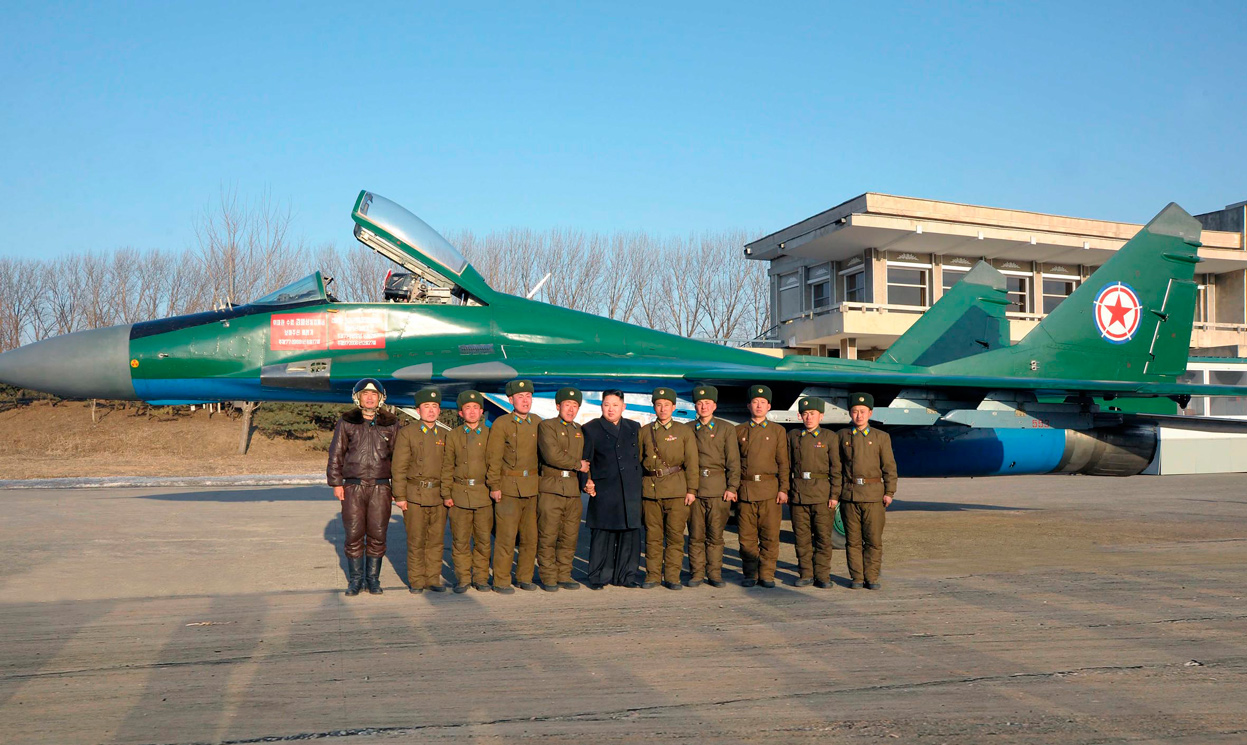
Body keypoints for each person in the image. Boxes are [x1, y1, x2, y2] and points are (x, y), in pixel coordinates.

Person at [327, 379, 401, 596]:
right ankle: (356, 580)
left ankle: (373, 579)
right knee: (353, 533)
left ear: (381, 398)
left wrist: (398, 488)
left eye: (374, 394)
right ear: (357, 397)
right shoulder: (347, 422)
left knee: (378, 534)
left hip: (380, 488)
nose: (369, 398)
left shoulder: (391, 423)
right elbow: (336, 453)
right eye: (365, 394)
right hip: (353, 487)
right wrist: (336, 482)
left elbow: (398, 459)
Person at [580, 390, 643, 589]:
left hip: (630, 489)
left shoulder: (634, 427)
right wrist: (586, 482)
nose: (611, 409)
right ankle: (599, 577)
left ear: (623, 406)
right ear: (601, 406)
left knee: (628, 535)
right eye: (607, 404)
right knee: (603, 536)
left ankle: (626, 576)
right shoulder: (591, 429)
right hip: (605, 489)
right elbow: (585, 461)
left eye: (615, 405)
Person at [638, 387, 698, 590]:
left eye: (666, 405)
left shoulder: (683, 431)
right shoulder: (645, 431)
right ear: (654, 407)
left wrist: (692, 490)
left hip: (676, 491)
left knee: (674, 536)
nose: (662, 409)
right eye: (658, 405)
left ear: (674, 407)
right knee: (652, 536)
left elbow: (692, 462)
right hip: (651, 491)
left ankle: (672, 576)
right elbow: (638, 462)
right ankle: (652, 576)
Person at [837, 392, 898, 590]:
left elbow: (889, 467)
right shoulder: (842, 436)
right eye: (855, 412)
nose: (859, 416)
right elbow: (837, 468)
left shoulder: (881, 437)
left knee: (873, 539)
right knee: (852, 541)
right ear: (850, 413)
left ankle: (871, 577)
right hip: (850, 494)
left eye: (863, 412)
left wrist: (889, 492)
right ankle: (856, 577)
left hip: (873, 495)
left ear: (870, 413)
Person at [486, 379, 542, 593]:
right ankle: (501, 580)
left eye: (528, 396)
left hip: (532, 487)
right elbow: (494, 457)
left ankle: (525, 577)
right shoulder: (502, 424)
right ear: (511, 400)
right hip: (508, 488)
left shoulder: (538, 422)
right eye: (520, 397)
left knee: (530, 537)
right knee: (506, 537)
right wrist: (494, 485)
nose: (525, 400)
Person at [391, 388, 448, 594]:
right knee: (416, 540)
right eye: (426, 407)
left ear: (439, 410)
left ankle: (433, 578)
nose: (431, 411)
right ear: (418, 410)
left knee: (436, 540)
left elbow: (448, 466)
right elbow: (399, 467)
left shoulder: (444, 435)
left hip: (438, 495)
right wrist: (400, 496)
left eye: (434, 407)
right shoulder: (407, 434)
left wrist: (447, 494)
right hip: (415, 495)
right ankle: (416, 580)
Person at [735, 384, 789, 588]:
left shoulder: (777, 431)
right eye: (755, 402)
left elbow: (783, 462)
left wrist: (784, 489)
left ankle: (767, 574)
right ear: (749, 405)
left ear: (769, 406)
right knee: (746, 537)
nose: (758, 406)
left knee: (770, 536)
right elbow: (733, 463)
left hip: (769, 490)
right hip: (746, 489)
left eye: (762, 403)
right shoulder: (738, 430)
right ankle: (750, 574)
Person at [687, 384, 740, 588]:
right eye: (699, 403)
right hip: (696, 488)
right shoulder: (688, 429)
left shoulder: (726, 429)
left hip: (719, 489)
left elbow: (733, 461)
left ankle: (714, 573)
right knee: (695, 535)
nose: (703, 407)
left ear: (714, 406)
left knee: (715, 536)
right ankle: (697, 573)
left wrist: (732, 487)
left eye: (707, 403)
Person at [536, 387, 589, 591]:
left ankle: (564, 573)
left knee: (569, 536)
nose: (571, 409)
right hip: (551, 488)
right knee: (548, 534)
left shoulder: (579, 430)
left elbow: (587, 459)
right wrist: (578, 465)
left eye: (575, 406)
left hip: (572, 490)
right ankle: (548, 576)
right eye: (567, 405)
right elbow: (552, 455)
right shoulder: (547, 426)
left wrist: (587, 479)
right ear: (558, 406)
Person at [441, 390, 493, 593]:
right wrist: (446, 493)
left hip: (483, 493)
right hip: (460, 493)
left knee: (482, 540)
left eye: (475, 408)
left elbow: (495, 464)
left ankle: (480, 578)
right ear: (461, 413)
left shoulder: (490, 434)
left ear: (481, 411)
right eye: (467, 408)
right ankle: (463, 578)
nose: (472, 412)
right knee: (460, 540)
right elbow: (447, 466)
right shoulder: (453, 436)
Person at [788, 396, 841, 588]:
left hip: (822, 495)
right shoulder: (793, 436)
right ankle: (805, 573)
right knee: (801, 538)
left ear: (821, 416)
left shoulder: (829, 437)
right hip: (799, 494)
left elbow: (836, 469)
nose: (809, 417)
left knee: (822, 538)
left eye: (813, 414)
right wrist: (787, 491)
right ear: (800, 415)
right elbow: (787, 467)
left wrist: (834, 495)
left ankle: (823, 575)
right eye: (805, 414)